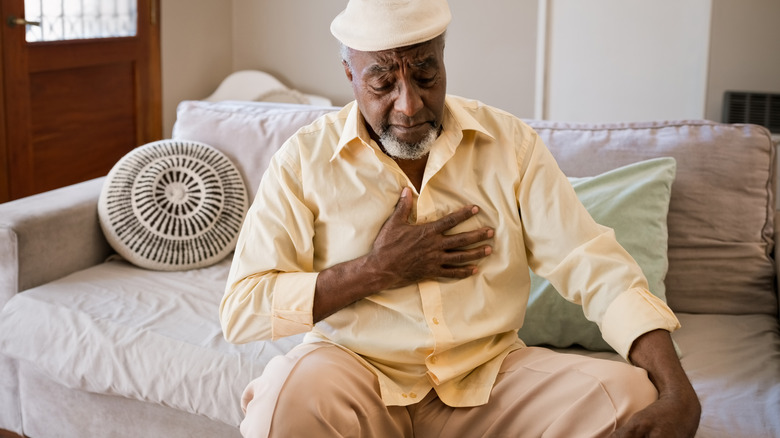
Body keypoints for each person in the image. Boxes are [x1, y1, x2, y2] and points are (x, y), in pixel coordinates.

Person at [220, 1, 701, 436]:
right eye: (383, 82)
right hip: (354, 373)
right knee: (281, 405)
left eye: (425, 76)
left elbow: (590, 262)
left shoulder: (509, 143)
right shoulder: (302, 160)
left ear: (444, 60)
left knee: (634, 399)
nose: (408, 104)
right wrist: (379, 269)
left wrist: (678, 389)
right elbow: (243, 309)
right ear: (349, 74)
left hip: (489, 378)